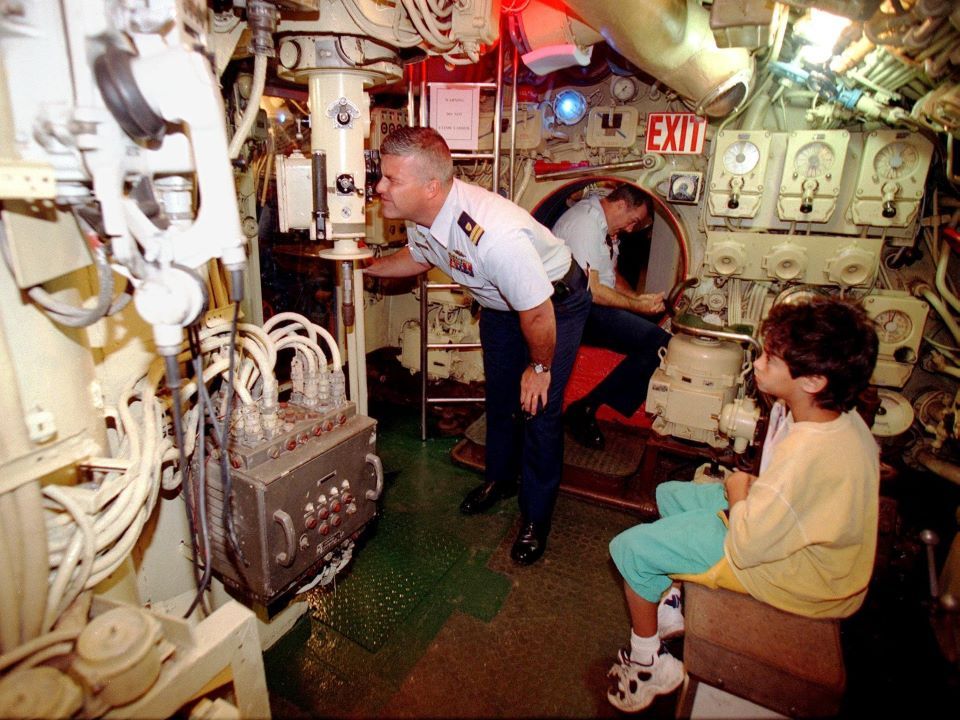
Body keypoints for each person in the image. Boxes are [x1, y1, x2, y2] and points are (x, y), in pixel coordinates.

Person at [604, 297, 880, 713]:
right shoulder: (836, 418)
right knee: (671, 494)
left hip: (794, 575)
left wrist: (738, 491)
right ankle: (675, 601)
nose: (759, 363)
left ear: (813, 381)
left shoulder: (808, 456)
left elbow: (748, 545)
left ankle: (648, 665)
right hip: (793, 533)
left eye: (772, 357)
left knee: (630, 550)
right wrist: (746, 490)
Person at [364, 127, 591, 565]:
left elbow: (538, 314)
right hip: (501, 304)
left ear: (432, 187)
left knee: (537, 408)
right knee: (500, 398)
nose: (379, 187)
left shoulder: (495, 234)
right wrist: (364, 268)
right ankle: (501, 479)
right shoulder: (424, 216)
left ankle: (535, 516)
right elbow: (420, 257)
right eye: (383, 177)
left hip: (553, 304)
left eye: (392, 180)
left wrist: (539, 369)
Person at [550, 184, 671, 450]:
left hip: (589, 305)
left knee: (659, 335)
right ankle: (584, 409)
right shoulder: (584, 225)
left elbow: (610, 277)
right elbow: (592, 290)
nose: (630, 229)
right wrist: (636, 307)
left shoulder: (602, 227)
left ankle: (588, 407)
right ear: (619, 206)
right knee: (658, 343)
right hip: (571, 311)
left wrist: (639, 299)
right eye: (632, 221)